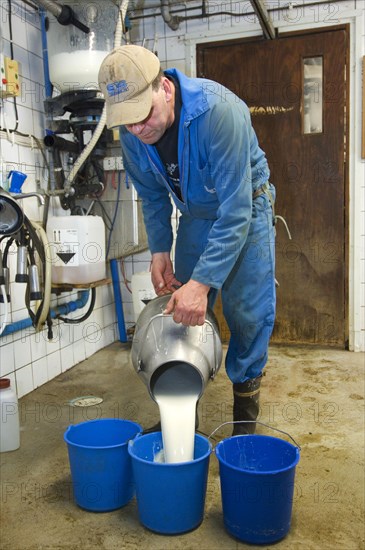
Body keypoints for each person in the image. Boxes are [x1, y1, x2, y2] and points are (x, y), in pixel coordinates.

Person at [98, 45, 276, 435]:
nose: (138, 129)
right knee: (182, 308)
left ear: (164, 87)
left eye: (143, 116)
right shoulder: (132, 133)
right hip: (196, 215)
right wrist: (160, 250)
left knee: (247, 313)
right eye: (127, 123)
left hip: (246, 206)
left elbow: (236, 212)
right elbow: (152, 194)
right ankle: (181, 415)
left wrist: (203, 282)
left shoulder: (219, 112)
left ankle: (244, 422)